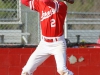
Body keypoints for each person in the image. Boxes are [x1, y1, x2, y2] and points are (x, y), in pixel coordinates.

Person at [21, 0, 74, 75]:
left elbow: (46, 1)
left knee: (62, 70)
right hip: (44, 44)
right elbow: (23, 1)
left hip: (58, 44)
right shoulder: (40, 3)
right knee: (26, 71)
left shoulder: (61, 5)